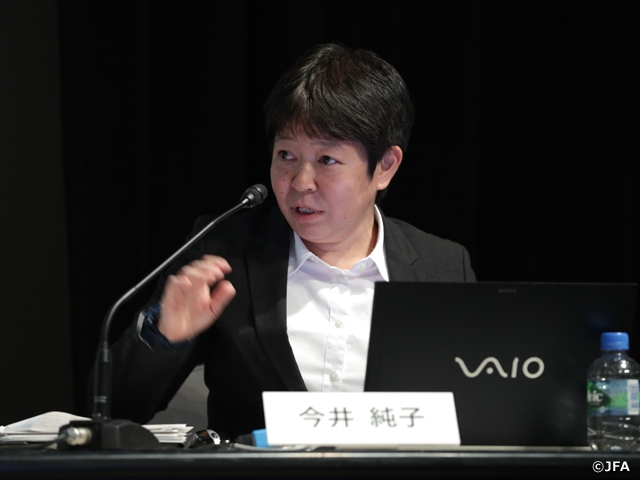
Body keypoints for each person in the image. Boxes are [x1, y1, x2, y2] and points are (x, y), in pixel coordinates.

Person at [109, 43, 475, 439]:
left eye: (327, 160)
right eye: (286, 155)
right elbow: (114, 409)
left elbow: (473, 412)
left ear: (385, 166)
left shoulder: (442, 266)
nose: (300, 182)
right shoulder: (226, 251)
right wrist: (163, 336)